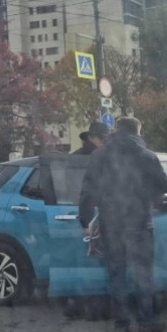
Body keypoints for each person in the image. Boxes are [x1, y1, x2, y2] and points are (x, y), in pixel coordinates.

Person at [78, 117, 167, 332]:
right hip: (140, 223)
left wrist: (85, 221)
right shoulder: (146, 156)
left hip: (111, 224)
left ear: (115, 131)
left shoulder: (99, 155)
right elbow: (165, 185)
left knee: (116, 274)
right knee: (143, 274)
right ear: (138, 131)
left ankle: (121, 325)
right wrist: (152, 196)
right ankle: (146, 322)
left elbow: (87, 190)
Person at [65, 121, 111, 320]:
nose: (104, 141)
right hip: (92, 214)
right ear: (92, 138)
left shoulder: (75, 157)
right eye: (102, 137)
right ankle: (93, 307)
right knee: (96, 263)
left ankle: (79, 305)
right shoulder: (98, 158)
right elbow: (88, 191)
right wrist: (88, 221)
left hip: (76, 211)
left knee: (83, 263)